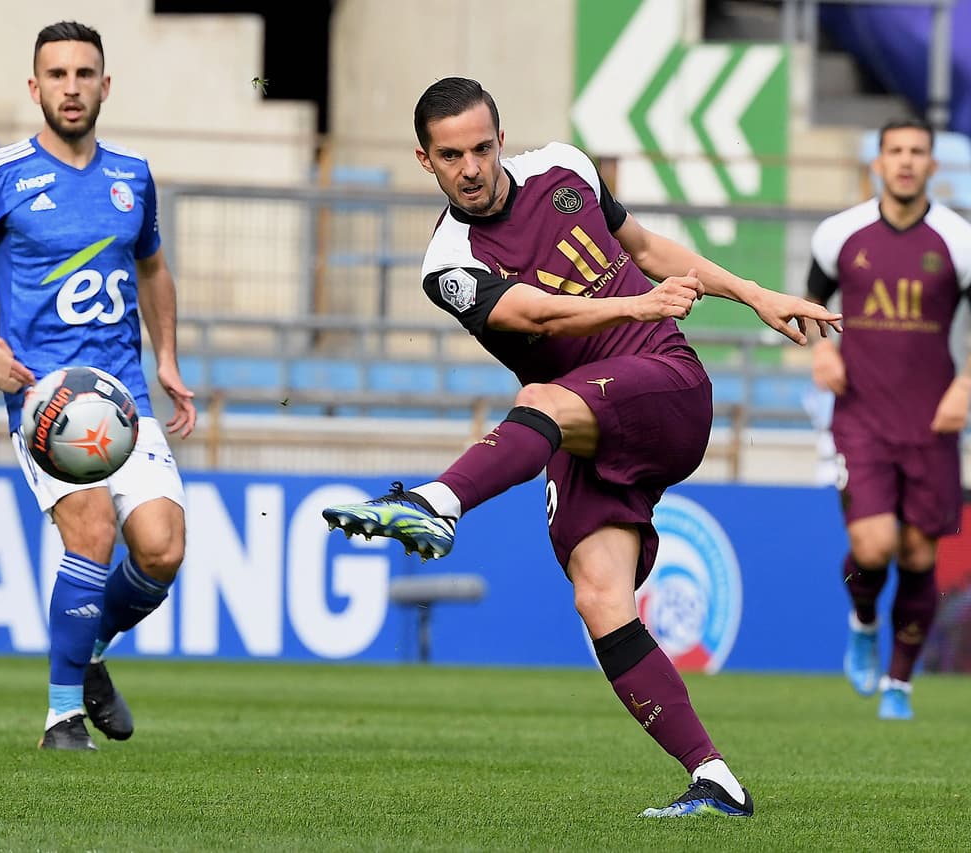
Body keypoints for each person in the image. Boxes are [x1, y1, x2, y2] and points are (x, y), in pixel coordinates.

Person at [321, 76, 842, 817]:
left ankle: (436, 502)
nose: (469, 168)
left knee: (536, 401)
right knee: (599, 594)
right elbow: (530, 311)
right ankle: (714, 775)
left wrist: (757, 294)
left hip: (663, 385)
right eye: (449, 156)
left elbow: (646, 245)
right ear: (424, 160)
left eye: (479, 148)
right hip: (583, 421)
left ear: (501, 139)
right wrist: (629, 299)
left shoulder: (565, 166)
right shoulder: (448, 262)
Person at [0, 21, 196, 751]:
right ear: (35, 89)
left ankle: (90, 649)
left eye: (85, 73)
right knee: (93, 533)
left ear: (105, 85)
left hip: (125, 395)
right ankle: (62, 716)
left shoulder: (133, 175)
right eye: (58, 75)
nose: (72, 87)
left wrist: (167, 357)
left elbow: (153, 267)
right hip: (49, 401)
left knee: (161, 550)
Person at [805, 117, 971, 720]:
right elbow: (811, 300)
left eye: (917, 152)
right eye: (895, 151)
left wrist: (966, 385)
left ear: (932, 164)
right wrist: (821, 347)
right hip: (861, 418)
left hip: (934, 421)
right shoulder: (840, 234)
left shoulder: (958, 239)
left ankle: (898, 684)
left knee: (921, 555)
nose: (905, 161)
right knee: (873, 546)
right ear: (878, 163)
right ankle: (864, 619)